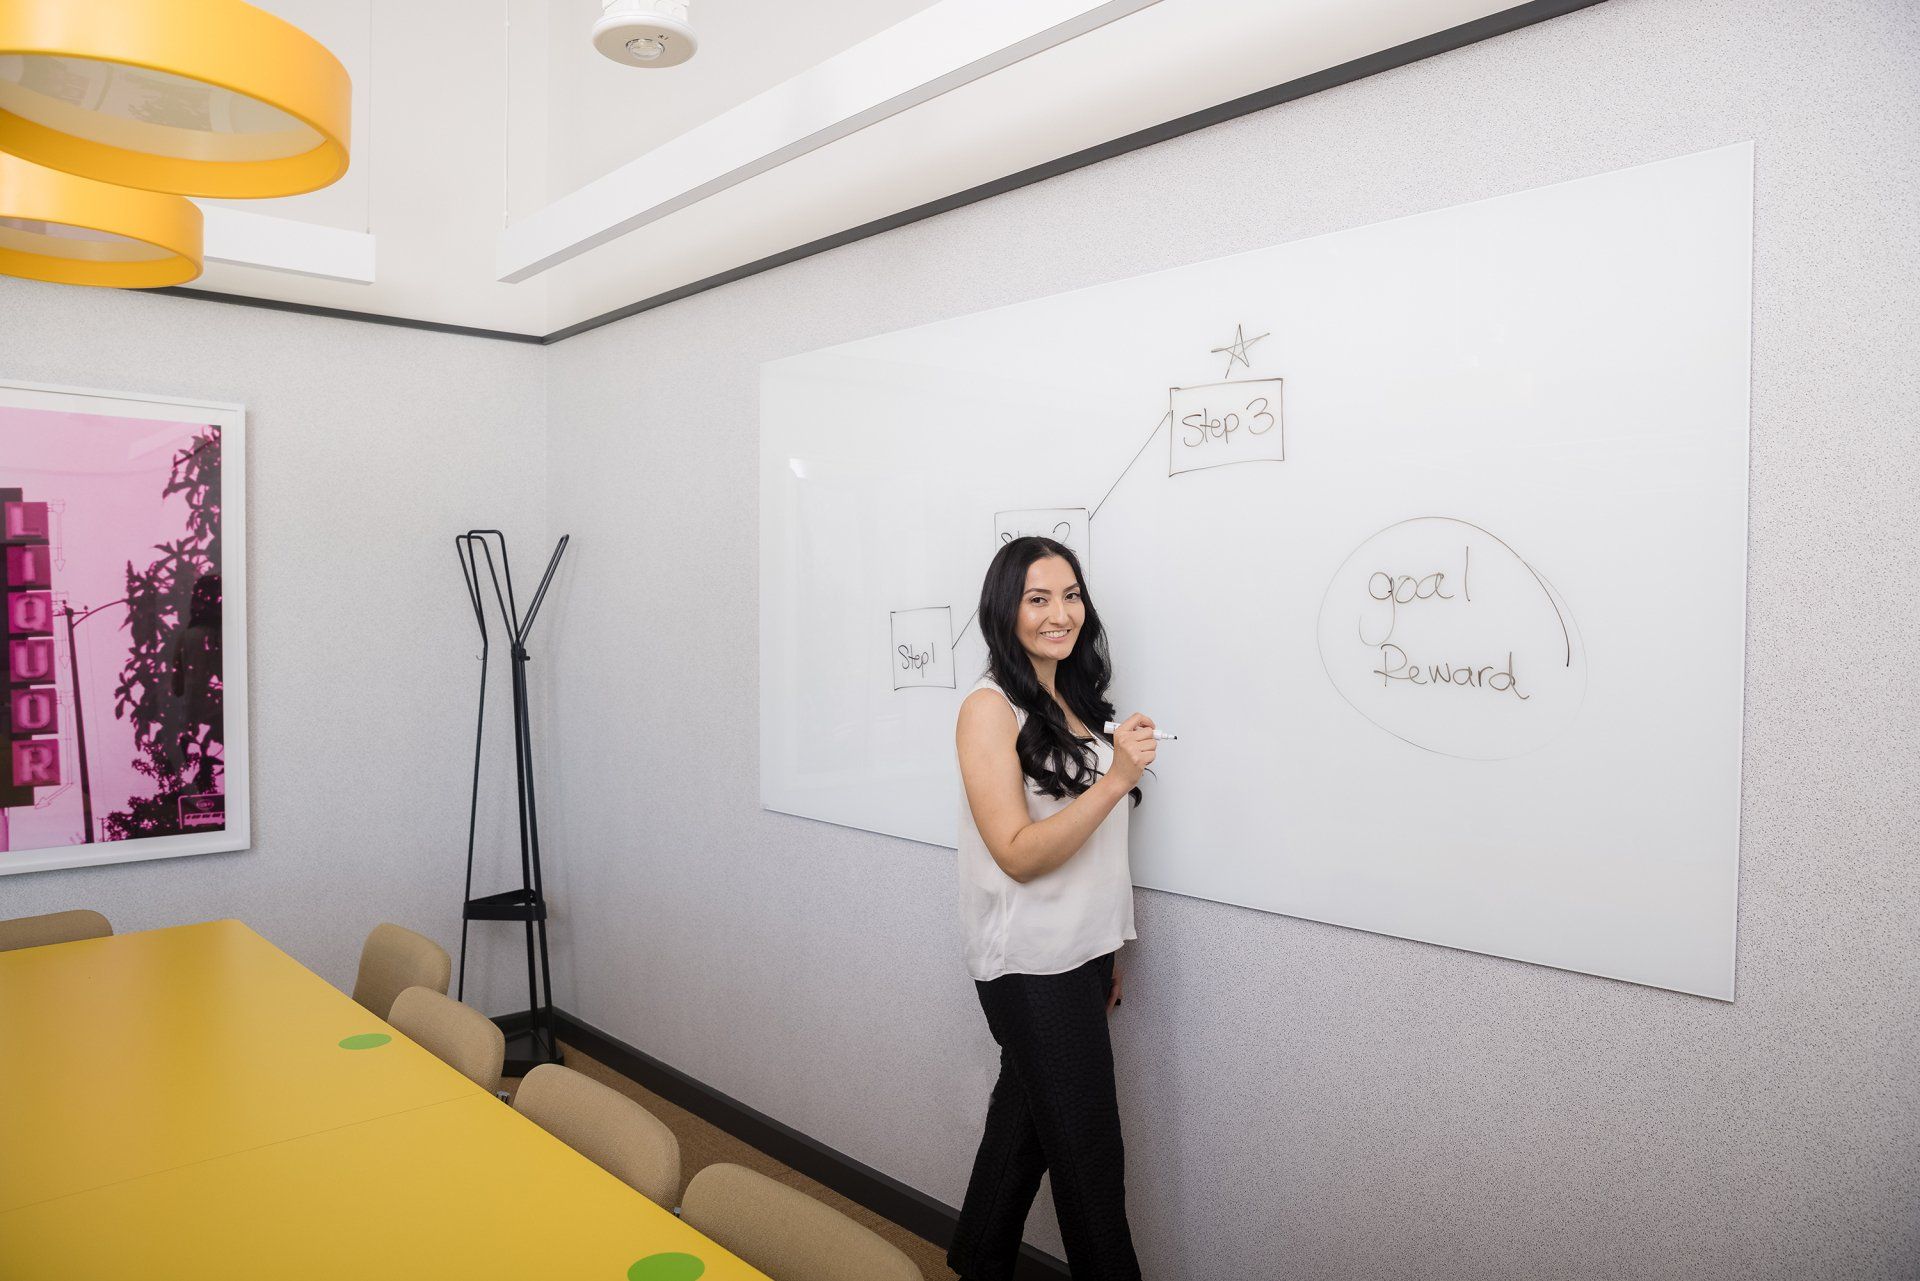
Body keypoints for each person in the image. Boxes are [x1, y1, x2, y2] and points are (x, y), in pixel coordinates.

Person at [947, 535, 1156, 1281]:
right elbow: (1016, 851)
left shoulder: (1073, 698)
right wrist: (1116, 777)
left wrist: (1108, 950)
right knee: (1091, 1166)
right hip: (1031, 965)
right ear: (1005, 610)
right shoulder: (988, 708)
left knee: (1024, 1132)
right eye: (1038, 598)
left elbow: (1095, 855)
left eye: (1071, 595)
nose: (1060, 613)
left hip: (1080, 955)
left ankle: (975, 1264)